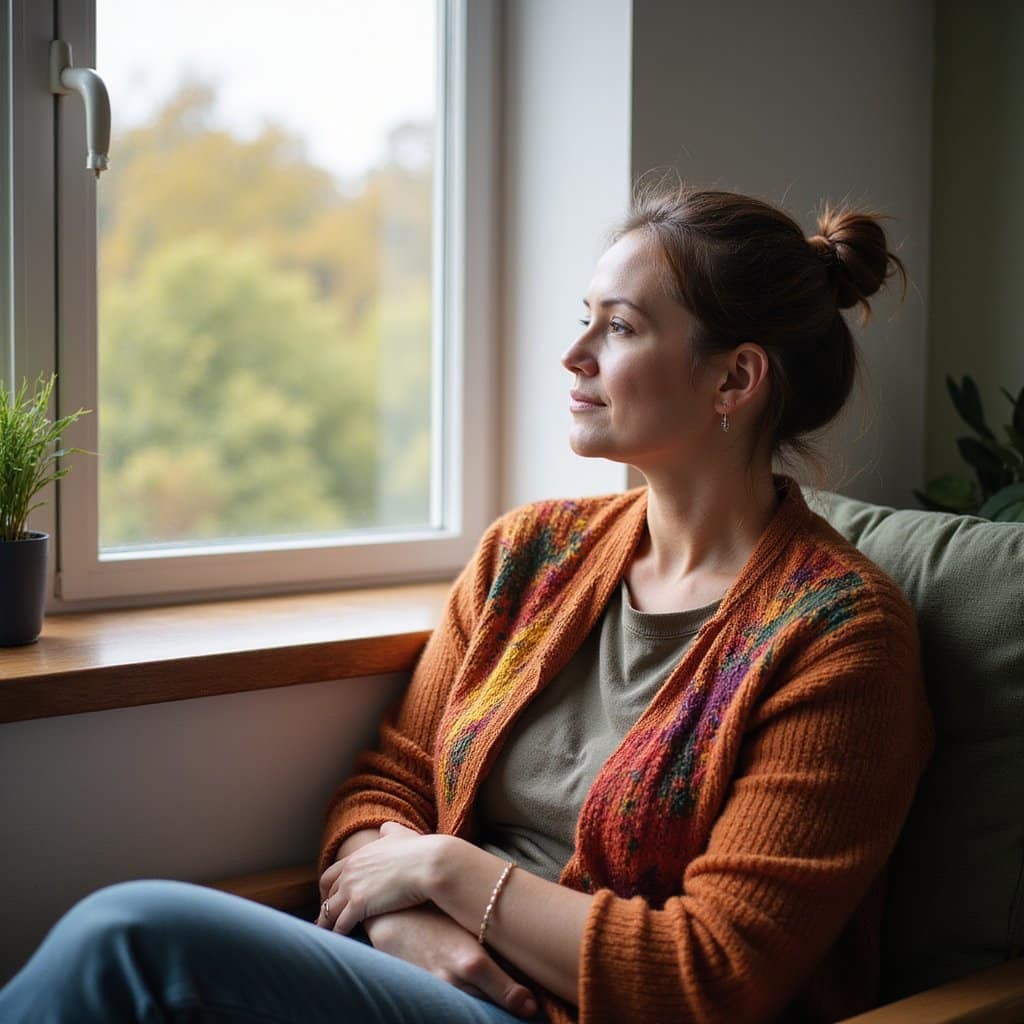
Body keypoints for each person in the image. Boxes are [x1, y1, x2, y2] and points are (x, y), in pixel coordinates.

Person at [0, 182, 935, 1024]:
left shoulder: (842, 639)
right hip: (423, 972)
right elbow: (390, 779)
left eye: (619, 328)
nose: (574, 356)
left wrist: (447, 870)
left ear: (734, 377)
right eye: (586, 320)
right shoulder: (529, 555)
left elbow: (713, 975)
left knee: (133, 936)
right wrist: (412, 924)